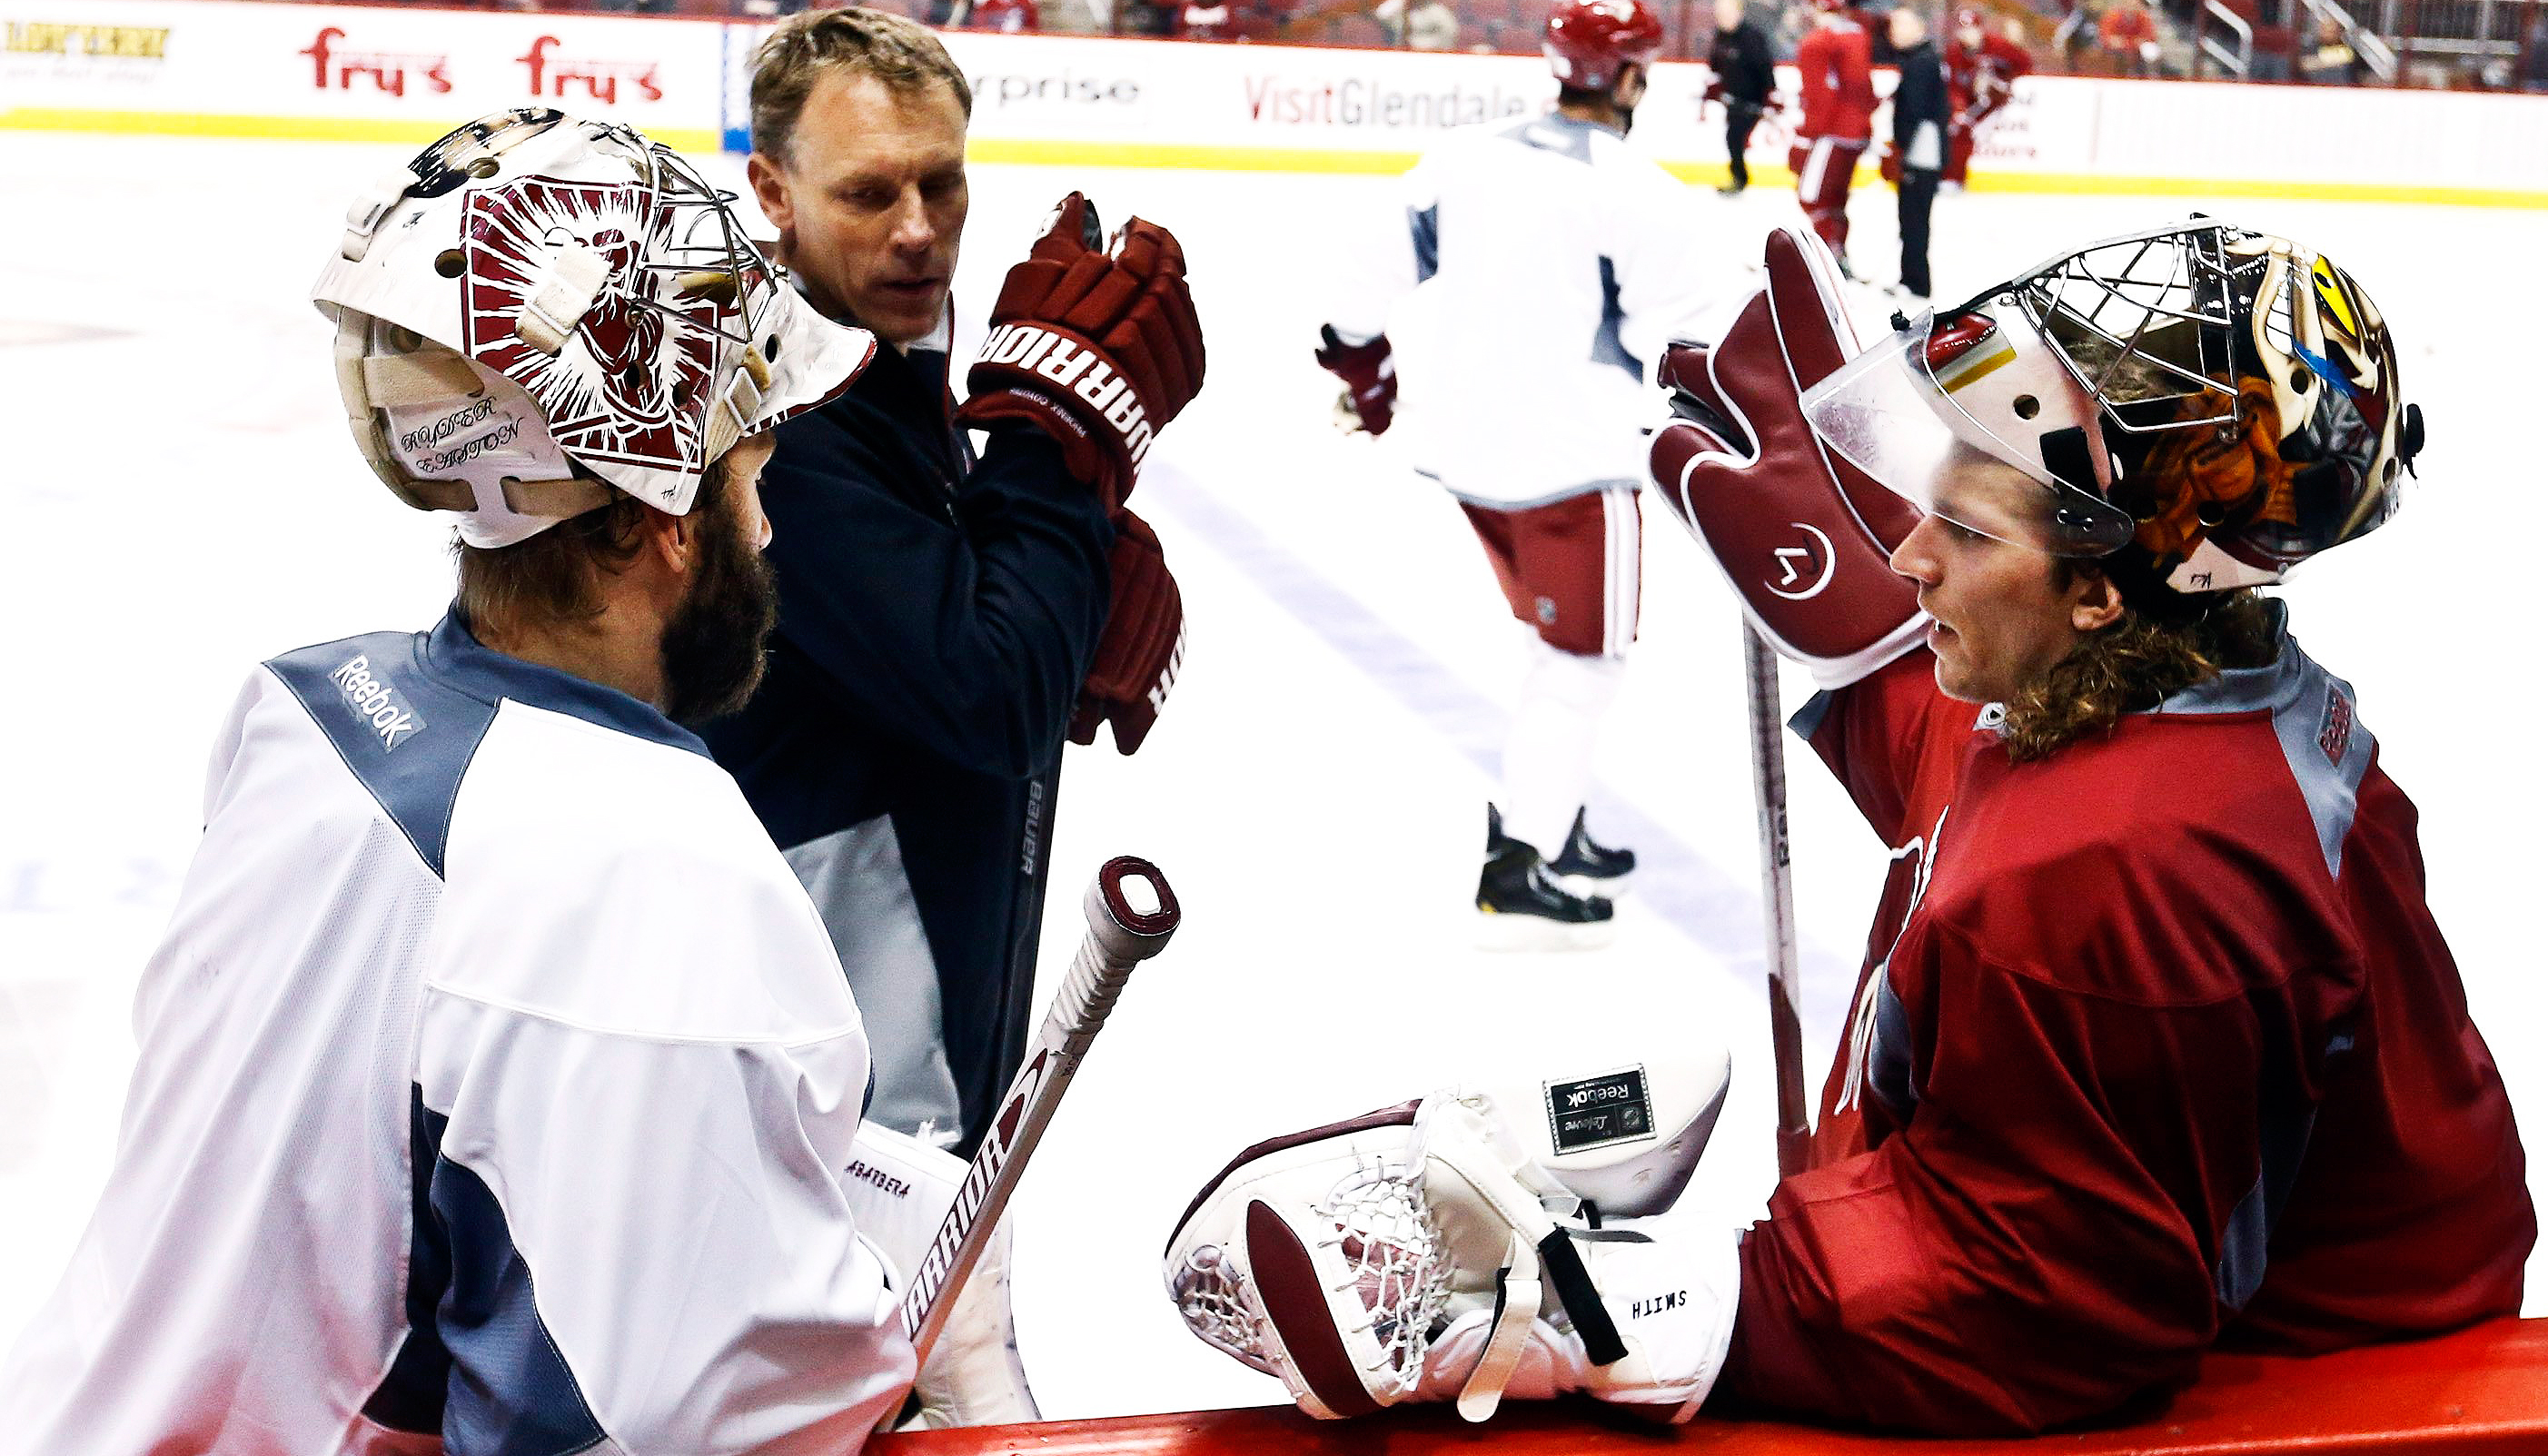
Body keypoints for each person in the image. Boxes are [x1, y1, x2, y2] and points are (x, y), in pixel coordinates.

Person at [1174, 220, 2533, 1437]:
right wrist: (1876, 655)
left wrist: (1645, 1306)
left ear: (2105, 593)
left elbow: (2045, 1295)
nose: (1903, 556)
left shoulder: (2117, 868)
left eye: (1958, 526)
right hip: (2227, 1271)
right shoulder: (2185, 686)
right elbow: (1992, 778)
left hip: (2290, 1396)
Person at [0, 108, 943, 1453]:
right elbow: (685, 1423)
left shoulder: (311, 705)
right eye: (751, 467)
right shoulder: (642, 864)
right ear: (665, 517)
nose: (768, 519)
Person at [724, 6, 1199, 1165]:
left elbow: (966, 651)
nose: (920, 233)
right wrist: (1049, 460)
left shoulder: (883, 371)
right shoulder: (783, 420)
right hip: (857, 1088)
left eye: (943, 184)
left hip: (911, 1014)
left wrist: (1055, 556)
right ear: (775, 195)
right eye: (869, 194)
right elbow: (992, 701)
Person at [1313, 0, 1730, 949]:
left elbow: (1355, 280)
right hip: (1580, 463)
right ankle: (1524, 859)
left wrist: (1363, 372)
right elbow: (1691, 346)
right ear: (1629, 78)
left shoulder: (1463, 159)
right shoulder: (1646, 194)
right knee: (1584, 662)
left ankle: (1557, 807)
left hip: (1466, 456)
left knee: (1552, 646)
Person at [1790, 0, 1877, 275]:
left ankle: (1829, 257)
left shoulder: (1817, 42)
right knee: (1836, 199)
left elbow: (1820, 96)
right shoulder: (1858, 35)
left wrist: (1805, 137)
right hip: (1854, 134)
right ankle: (1837, 252)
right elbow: (1865, 89)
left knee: (1813, 197)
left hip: (1830, 134)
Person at [1881, 5, 1949, 302]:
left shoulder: (1921, 62)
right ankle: (1911, 278)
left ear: (1919, 29)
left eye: (1901, 26)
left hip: (1920, 157)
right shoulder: (1921, 60)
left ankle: (1916, 282)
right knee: (1912, 217)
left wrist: (1901, 149)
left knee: (1914, 218)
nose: (1894, 32)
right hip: (1921, 154)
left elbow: (1916, 110)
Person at [1942, 8, 2031, 186]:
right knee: (1956, 129)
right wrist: (1958, 107)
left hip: (1994, 102)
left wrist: (2004, 82)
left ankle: (1955, 178)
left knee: (1963, 130)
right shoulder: (1953, 53)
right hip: (1970, 101)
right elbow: (1953, 85)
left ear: (1980, 28)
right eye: (1963, 30)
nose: (1968, 34)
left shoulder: (1999, 46)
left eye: (1972, 29)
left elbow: (2025, 64)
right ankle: (1952, 178)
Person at [1706, 0, 1777, 194]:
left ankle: (1740, 178)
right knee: (1732, 138)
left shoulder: (1752, 37)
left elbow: (1765, 68)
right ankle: (1738, 176)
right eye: (1719, 13)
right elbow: (1716, 65)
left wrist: (1769, 98)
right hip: (1733, 101)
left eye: (1727, 13)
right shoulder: (1721, 36)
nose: (1722, 17)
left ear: (1739, 13)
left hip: (1751, 102)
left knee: (1734, 138)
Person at [2097, 0, 2163, 74]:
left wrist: (2127, 42)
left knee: (2150, 50)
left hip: (2137, 50)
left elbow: (2150, 37)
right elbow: (2105, 36)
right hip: (2116, 51)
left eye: (2135, 4)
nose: (2131, 6)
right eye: (2129, 3)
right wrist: (2126, 42)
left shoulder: (2143, 17)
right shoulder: (2112, 16)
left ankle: (2151, 76)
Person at [2297, 13, 2365, 82]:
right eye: (2325, 29)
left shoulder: (2349, 49)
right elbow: (2304, 64)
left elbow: (2357, 66)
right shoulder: (2311, 47)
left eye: (2333, 31)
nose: (2328, 33)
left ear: (2339, 32)